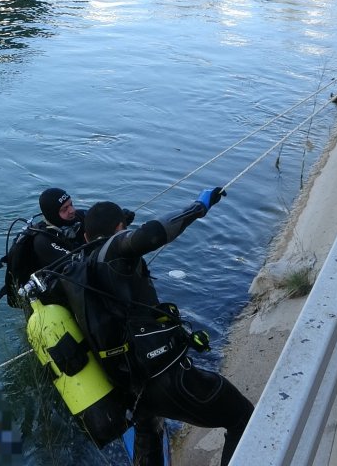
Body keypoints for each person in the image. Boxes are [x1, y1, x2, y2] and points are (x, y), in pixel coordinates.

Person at [68, 189, 253, 466]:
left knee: (150, 437)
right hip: (167, 378)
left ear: (85, 237)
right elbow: (152, 234)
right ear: (120, 229)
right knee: (241, 418)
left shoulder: (82, 268)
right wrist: (198, 207)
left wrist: (121, 227)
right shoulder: (117, 249)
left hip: (133, 388)